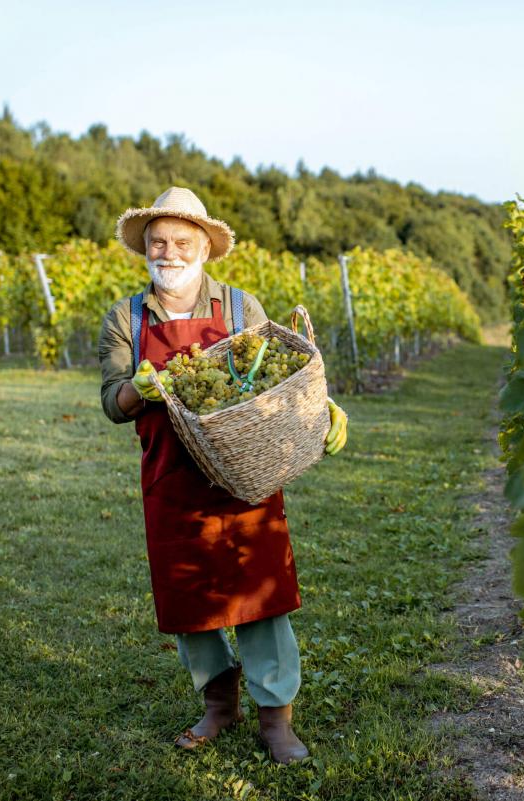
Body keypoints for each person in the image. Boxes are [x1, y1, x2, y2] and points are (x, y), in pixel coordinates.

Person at [96, 186, 348, 762]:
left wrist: (322, 407)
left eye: (182, 240)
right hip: (171, 479)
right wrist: (136, 389)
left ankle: (276, 718)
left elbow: (279, 379)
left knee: (262, 592)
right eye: (158, 241)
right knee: (190, 595)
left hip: (244, 475)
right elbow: (111, 401)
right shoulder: (126, 318)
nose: (169, 251)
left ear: (204, 247)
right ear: (146, 248)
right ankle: (218, 705)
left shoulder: (240, 309)